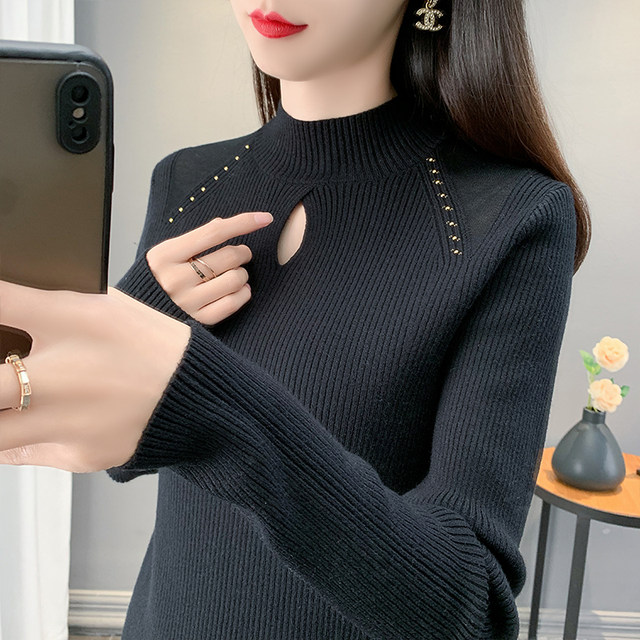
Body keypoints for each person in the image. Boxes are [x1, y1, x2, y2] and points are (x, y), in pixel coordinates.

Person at [0, 0, 591, 638]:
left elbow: (467, 609)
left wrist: (209, 404)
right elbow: (121, 452)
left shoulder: (509, 217)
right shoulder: (187, 179)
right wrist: (136, 313)